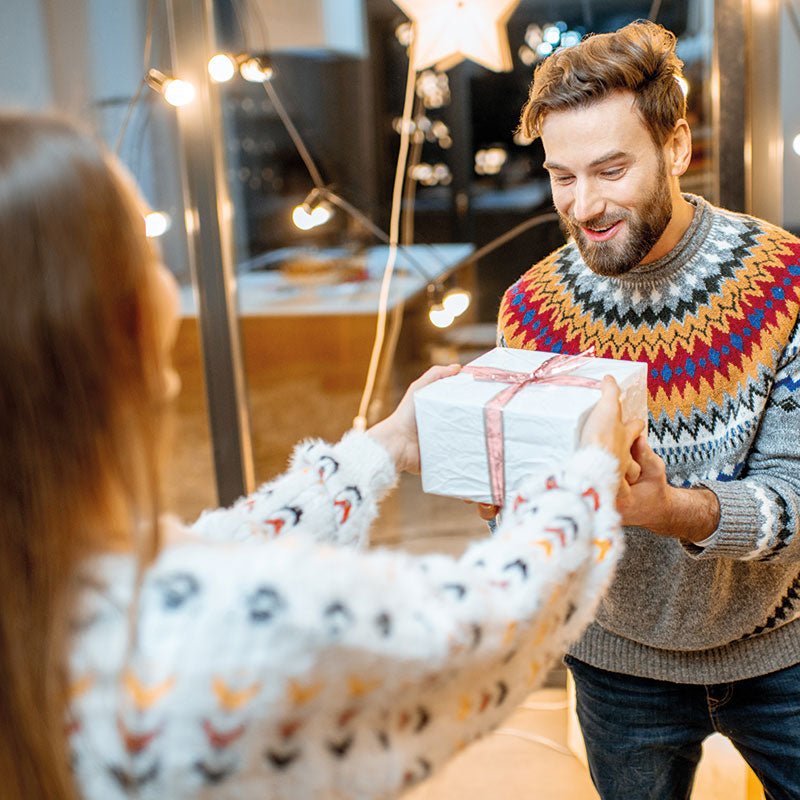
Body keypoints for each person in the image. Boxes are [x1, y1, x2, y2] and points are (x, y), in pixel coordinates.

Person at [0, 112, 643, 800]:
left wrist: (383, 448)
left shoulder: (48, 582)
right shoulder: (216, 640)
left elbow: (216, 548)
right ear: (117, 318)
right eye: (148, 251)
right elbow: (478, 629)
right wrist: (584, 474)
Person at [495, 19, 800, 800]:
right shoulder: (529, 310)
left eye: (610, 168)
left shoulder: (784, 286)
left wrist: (674, 510)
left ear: (676, 148)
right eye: (563, 176)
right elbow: (527, 514)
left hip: (783, 651)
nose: (585, 205)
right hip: (614, 663)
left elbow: (798, 502)